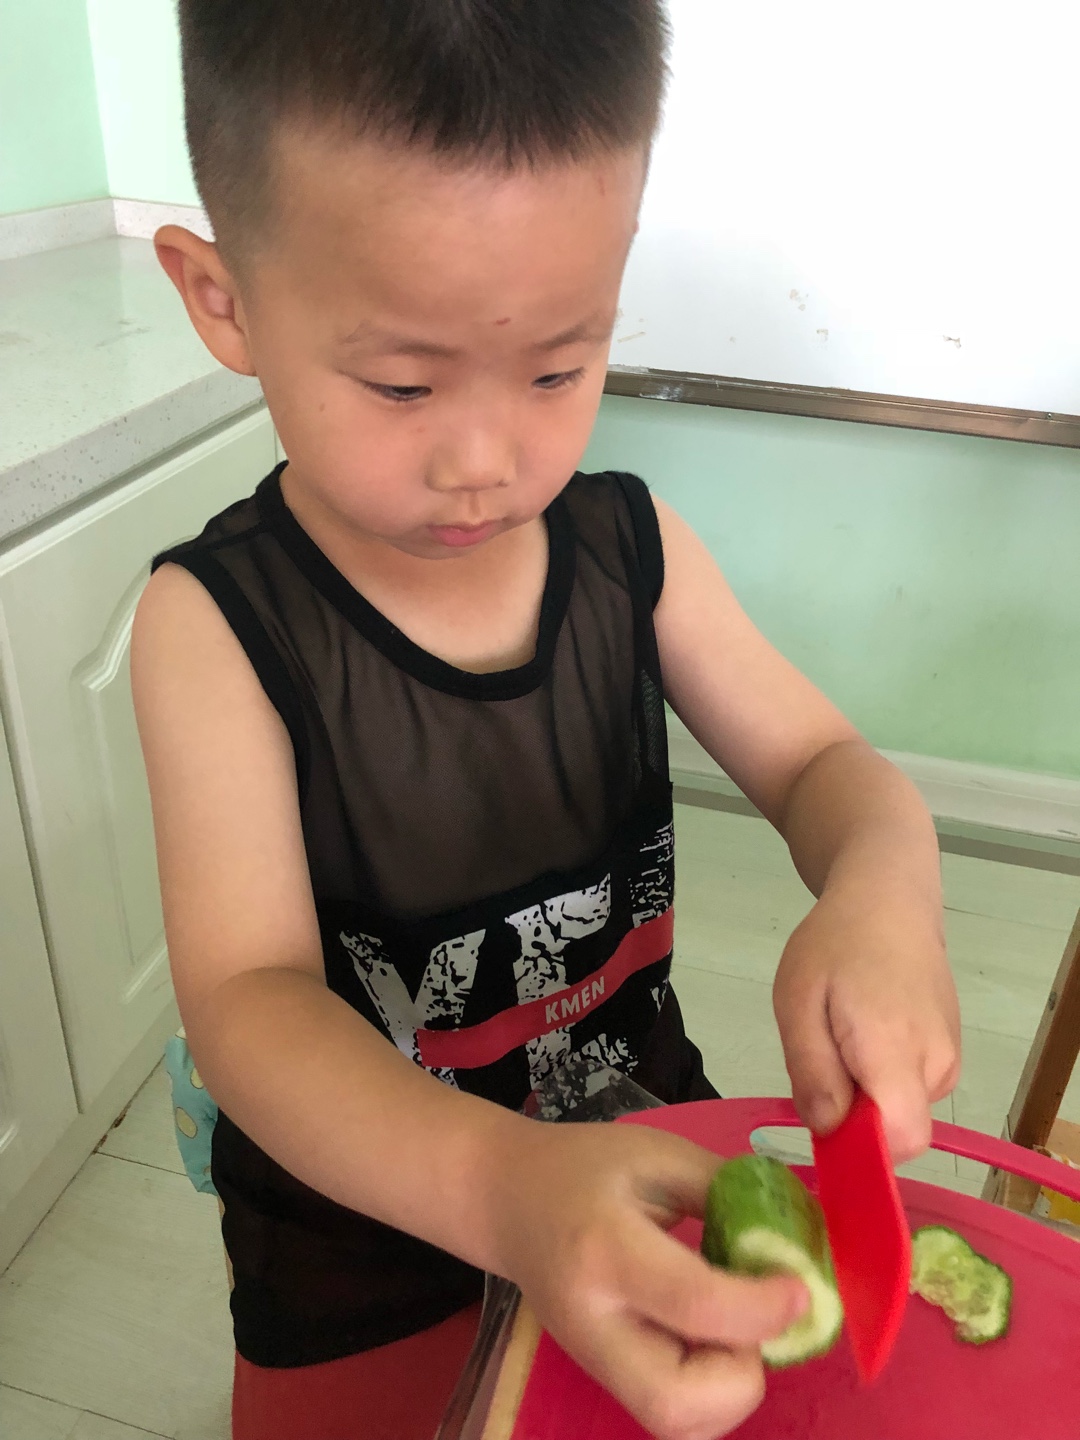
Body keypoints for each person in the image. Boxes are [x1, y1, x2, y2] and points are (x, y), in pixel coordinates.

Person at [132, 3, 960, 1438]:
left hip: (641, 1148)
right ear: (226, 303)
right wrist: (501, 1187)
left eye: (558, 369)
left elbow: (825, 764)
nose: (486, 459)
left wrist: (886, 892)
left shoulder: (636, 552)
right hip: (364, 1256)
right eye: (403, 383)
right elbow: (249, 1002)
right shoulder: (213, 627)